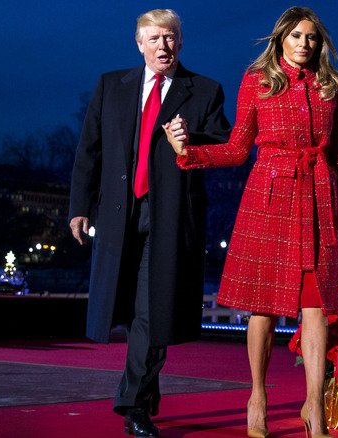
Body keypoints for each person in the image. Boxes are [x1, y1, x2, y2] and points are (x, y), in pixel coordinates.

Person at [163, 7, 338, 438]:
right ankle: (257, 397)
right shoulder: (258, 81)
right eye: (297, 36)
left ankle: (315, 406)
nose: (304, 44)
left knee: (317, 311)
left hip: (320, 201)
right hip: (269, 201)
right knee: (264, 309)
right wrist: (187, 152)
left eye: (311, 38)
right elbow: (236, 149)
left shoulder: (332, 88)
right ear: (281, 39)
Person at [68, 9, 231, 438]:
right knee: (126, 311)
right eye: (155, 38)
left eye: (171, 37)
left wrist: (188, 140)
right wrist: (79, 207)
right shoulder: (110, 85)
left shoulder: (206, 91)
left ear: (182, 42)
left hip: (171, 218)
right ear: (139, 43)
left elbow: (225, 145)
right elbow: (90, 151)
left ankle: (133, 405)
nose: (164, 46)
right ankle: (146, 392)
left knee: (153, 311)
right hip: (120, 216)